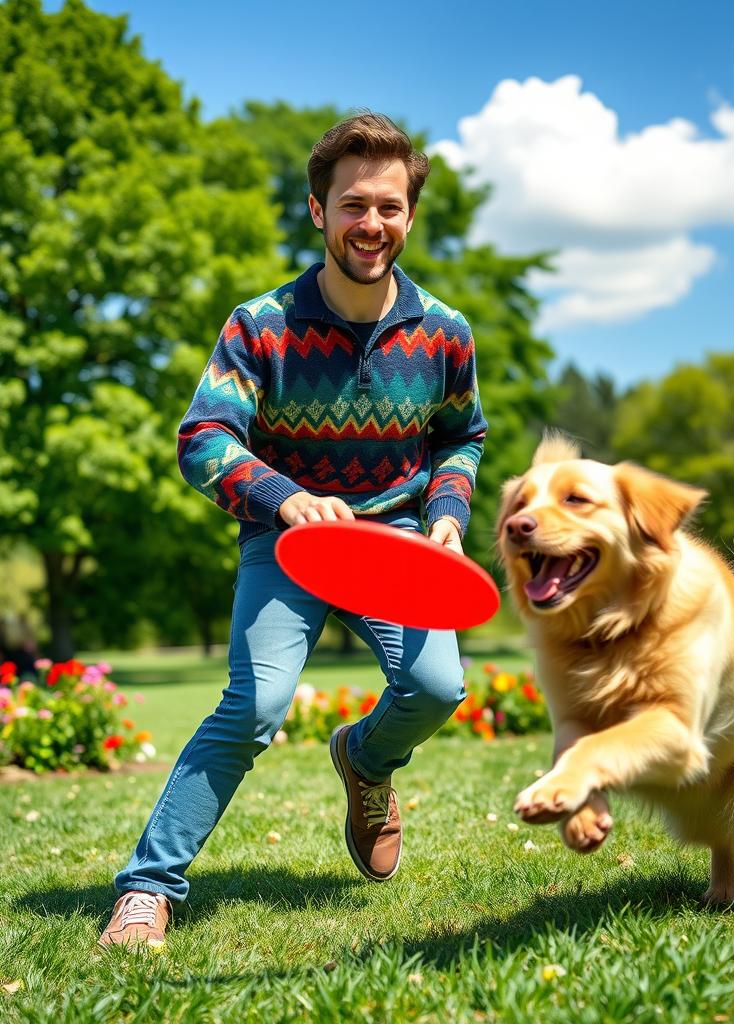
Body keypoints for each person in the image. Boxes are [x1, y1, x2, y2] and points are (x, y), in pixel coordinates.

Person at [100, 113, 487, 949]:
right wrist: (284, 498)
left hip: (394, 546)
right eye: (353, 204)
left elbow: (461, 437)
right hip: (287, 543)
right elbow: (204, 438)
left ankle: (366, 761)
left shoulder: (446, 332)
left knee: (436, 690)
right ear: (319, 211)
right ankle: (148, 889)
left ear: (410, 217)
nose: (371, 224)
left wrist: (447, 517)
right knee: (257, 704)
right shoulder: (260, 324)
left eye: (389, 206)